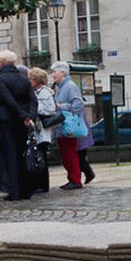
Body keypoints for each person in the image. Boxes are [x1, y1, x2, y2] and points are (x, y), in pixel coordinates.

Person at [0, 50, 37, 201]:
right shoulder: (23, 79)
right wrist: (29, 116)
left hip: (7, 120)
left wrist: (22, 115)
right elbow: (33, 100)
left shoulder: (1, 80)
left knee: (11, 156)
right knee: (23, 154)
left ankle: (15, 192)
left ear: (1, 63)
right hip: (22, 122)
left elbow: (8, 100)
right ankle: (26, 190)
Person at [50, 61, 85, 190]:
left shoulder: (70, 86)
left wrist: (61, 106)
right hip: (61, 125)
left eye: (54, 72)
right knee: (65, 154)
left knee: (70, 153)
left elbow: (78, 104)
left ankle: (75, 179)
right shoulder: (58, 86)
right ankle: (72, 178)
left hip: (68, 125)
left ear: (63, 73)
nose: (52, 74)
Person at [28, 67, 55, 193]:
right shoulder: (35, 92)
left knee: (41, 156)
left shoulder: (44, 92)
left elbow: (50, 109)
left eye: (32, 79)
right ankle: (37, 183)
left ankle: (43, 185)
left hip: (42, 130)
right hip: (36, 130)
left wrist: (35, 107)